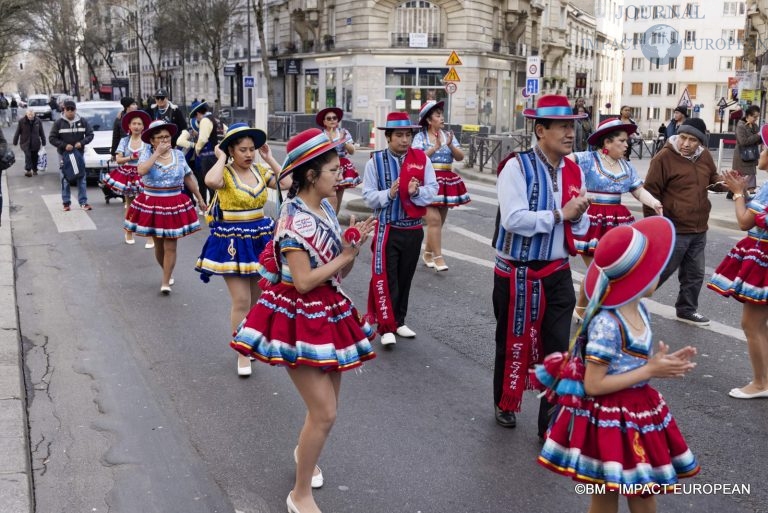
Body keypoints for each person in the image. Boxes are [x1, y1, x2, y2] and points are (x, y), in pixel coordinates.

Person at [230, 128, 377, 513]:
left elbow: (332, 271)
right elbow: (305, 281)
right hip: (297, 316)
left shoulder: (325, 208)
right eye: (333, 169)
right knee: (324, 411)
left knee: (326, 411)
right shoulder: (294, 221)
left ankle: (304, 451)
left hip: (328, 311)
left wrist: (352, 248)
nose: (340, 175)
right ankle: (299, 495)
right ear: (311, 175)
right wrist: (347, 255)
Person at [536, 216, 700, 512]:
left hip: (639, 412)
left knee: (638, 492)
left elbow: (627, 365)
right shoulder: (607, 325)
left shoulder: (642, 311)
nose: (659, 273)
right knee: (611, 495)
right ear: (634, 279)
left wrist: (660, 363)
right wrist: (650, 370)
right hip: (611, 420)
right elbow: (593, 384)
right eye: (653, 269)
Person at [492, 94, 590, 431]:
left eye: (572, 127)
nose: (569, 134)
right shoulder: (516, 166)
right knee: (509, 341)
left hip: (558, 274)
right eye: (562, 127)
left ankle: (548, 423)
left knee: (557, 349)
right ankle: (505, 401)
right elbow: (514, 219)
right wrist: (562, 214)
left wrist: (578, 217)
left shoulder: (574, 169)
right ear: (539, 130)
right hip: (516, 274)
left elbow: (581, 227)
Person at [194, 123, 283, 377]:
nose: (248, 154)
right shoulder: (226, 174)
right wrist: (221, 157)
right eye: (242, 149)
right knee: (241, 300)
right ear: (231, 150)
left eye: (251, 149)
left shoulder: (259, 169)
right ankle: (242, 352)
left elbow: (286, 182)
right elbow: (210, 181)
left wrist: (270, 157)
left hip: (260, 238)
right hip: (233, 241)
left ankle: (250, 341)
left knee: (256, 301)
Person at [568, 118, 663, 320]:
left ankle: (581, 309)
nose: (627, 144)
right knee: (599, 269)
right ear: (607, 143)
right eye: (622, 140)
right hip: (593, 220)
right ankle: (601, 312)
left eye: (626, 140)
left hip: (618, 222)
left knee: (607, 270)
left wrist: (654, 203)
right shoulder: (587, 159)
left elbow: (637, 190)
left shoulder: (626, 167)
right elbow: (562, 162)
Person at [362, 112, 438, 347]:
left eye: (408, 135)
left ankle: (399, 320)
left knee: (406, 277)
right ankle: (385, 326)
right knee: (386, 277)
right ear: (388, 137)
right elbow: (368, 197)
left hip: (413, 228)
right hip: (388, 229)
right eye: (399, 135)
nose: (405, 140)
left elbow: (433, 189)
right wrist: (390, 194)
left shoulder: (421, 160)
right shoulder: (374, 161)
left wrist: (416, 192)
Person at [643, 117, 726, 326]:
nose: (686, 144)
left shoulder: (704, 155)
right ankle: (627, 303)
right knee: (659, 273)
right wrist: (654, 228)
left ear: (700, 142)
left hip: (699, 227)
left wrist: (723, 184)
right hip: (673, 228)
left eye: (692, 140)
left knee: (695, 273)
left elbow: (712, 177)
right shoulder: (663, 158)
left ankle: (687, 309)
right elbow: (650, 193)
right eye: (683, 137)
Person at [708, 143, 768, 399]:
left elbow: (745, 221)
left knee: (751, 324)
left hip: (763, 255)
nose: (760, 154)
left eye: (765, 149)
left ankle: (760, 383)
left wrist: (738, 193)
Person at [125, 120, 206, 294]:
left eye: (167, 137)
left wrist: (199, 198)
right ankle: (166, 272)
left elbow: (188, 178)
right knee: (159, 245)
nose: (164, 140)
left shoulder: (179, 155)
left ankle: (165, 281)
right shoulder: (146, 154)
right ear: (152, 141)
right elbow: (141, 171)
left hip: (173, 202)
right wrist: (156, 154)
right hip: (152, 203)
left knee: (171, 245)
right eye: (160, 138)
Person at [411, 100, 468, 272]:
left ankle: (427, 253)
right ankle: (438, 257)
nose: (442, 118)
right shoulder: (420, 137)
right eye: (437, 115)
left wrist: (450, 145)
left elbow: (460, 157)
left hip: (446, 182)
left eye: (441, 114)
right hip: (428, 181)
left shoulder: (447, 135)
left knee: (438, 223)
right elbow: (416, 158)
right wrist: (434, 148)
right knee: (434, 220)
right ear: (429, 120)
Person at [104, 110, 150, 244]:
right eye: (134, 123)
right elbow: (118, 160)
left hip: (144, 175)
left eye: (139, 124)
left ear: (143, 126)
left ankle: (149, 235)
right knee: (129, 205)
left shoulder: (147, 142)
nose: (136, 126)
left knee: (146, 206)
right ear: (129, 126)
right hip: (128, 175)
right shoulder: (124, 141)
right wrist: (130, 157)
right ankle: (129, 233)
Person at [49, 100, 94, 211]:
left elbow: (90, 134)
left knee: (81, 178)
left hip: (78, 154)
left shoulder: (83, 121)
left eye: (72, 109)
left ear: (75, 110)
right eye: (67, 109)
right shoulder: (58, 123)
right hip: (64, 155)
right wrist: (64, 145)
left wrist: (81, 143)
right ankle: (66, 203)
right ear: (64, 110)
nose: (69, 112)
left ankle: (83, 202)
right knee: (65, 178)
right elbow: (52, 138)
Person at [316, 107, 358, 214]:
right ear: (324, 122)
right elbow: (321, 154)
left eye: (334, 118)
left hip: (342, 166)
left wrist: (343, 141)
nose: (332, 120)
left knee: (338, 199)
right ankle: (328, 219)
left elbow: (352, 151)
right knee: (331, 198)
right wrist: (330, 142)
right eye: (329, 118)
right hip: (328, 167)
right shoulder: (321, 135)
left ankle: (335, 222)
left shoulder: (343, 132)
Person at [189, 101, 226, 204]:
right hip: (219, 155)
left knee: (210, 183)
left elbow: (203, 139)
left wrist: (197, 149)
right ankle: (220, 204)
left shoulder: (205, 120)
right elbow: (225, 133)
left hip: (208, 156)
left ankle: (214, 207)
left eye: (196, 117)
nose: (197, 120)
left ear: (198, 114)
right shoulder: (217, 119)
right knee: (219, 181)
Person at [732, 105, 762, 199]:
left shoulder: (754, 126)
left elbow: (757, 141)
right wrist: (757, 135)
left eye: (757, 117)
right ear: (748, 115)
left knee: (751, 174)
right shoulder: (740, 126)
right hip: (742, 156)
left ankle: (750, 193)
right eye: (754, 117)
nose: (756, 119)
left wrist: (762, 137)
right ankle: (737, 192)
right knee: (741, 175)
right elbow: (743, 142)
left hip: (751, 155)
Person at [13, 109, 46, 177]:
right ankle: (28, 170)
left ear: (34, 114)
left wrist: (43, 141)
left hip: (35, 142)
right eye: (29, 114)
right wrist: (15, 141)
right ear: (26, 114)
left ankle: (35, 170)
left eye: (32, 114)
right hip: (25, 142)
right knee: (28, 155)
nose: (30, 116)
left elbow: (41, 132)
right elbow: (17, 132)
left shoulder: (38, 121)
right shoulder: (22, 121)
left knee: (34, 157)